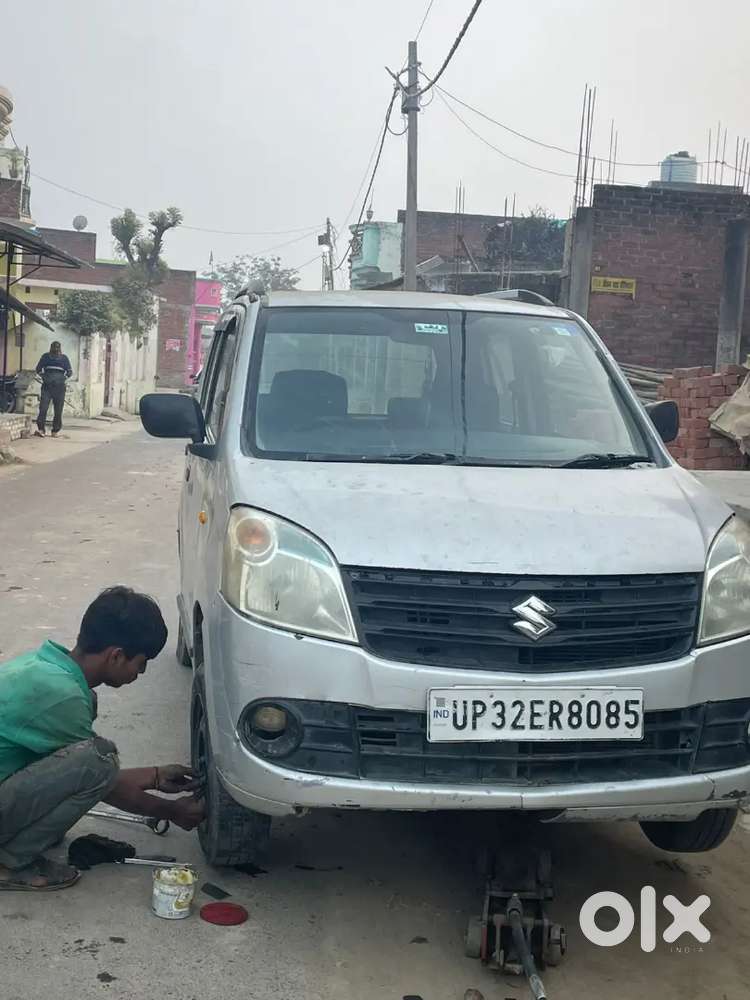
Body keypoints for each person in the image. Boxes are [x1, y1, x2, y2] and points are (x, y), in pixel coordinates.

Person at [0, 586, 205, 891]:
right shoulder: (64, 696)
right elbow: (101, 778)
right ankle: (8, 863)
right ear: (117, 656)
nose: (142, 672)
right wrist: (173, 811)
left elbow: (84, 774)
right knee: (100, 757)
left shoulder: (46, 666)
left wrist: (155, 776)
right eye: (142, 662)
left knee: (95, 758)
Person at [34, 340, 73, 438]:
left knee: (58, 410)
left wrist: (63, 378)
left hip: (59, 388)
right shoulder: (45, 357)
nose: (56, 349)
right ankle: (41, 429)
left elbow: (69, 372)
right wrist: (44, 377)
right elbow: (38, 369)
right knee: (43, 408)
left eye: (57, 347)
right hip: (47, 387)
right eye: (54, 347)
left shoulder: (64, 358)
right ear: (51, 347)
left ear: (60, 348)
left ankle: (55, 431)